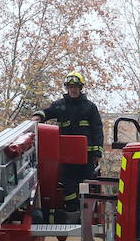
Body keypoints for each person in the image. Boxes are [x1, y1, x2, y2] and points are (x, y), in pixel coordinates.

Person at [32, 70, 103, 221]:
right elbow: (47, 112)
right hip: (66, 157)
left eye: (76, 86)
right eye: (70, 87)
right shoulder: (60, 105)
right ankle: (72, 211)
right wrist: (38, 116)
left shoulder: (90, 107)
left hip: (86, 157)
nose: (73, 89)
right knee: (68, 184)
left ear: (80, 88)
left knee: (87, 184)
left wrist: (97, 153)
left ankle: (87, 214)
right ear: (66, 88)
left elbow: (97, 129)